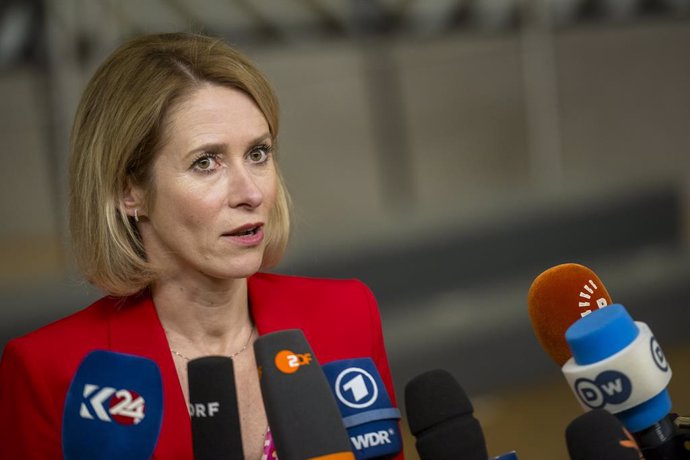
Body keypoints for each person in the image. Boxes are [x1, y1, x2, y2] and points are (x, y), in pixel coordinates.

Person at [0, 32, 401, 459]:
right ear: (128, 191)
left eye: (258, 153)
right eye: (206, 162)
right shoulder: (48, 372)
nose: (250, 192)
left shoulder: (347, 314)